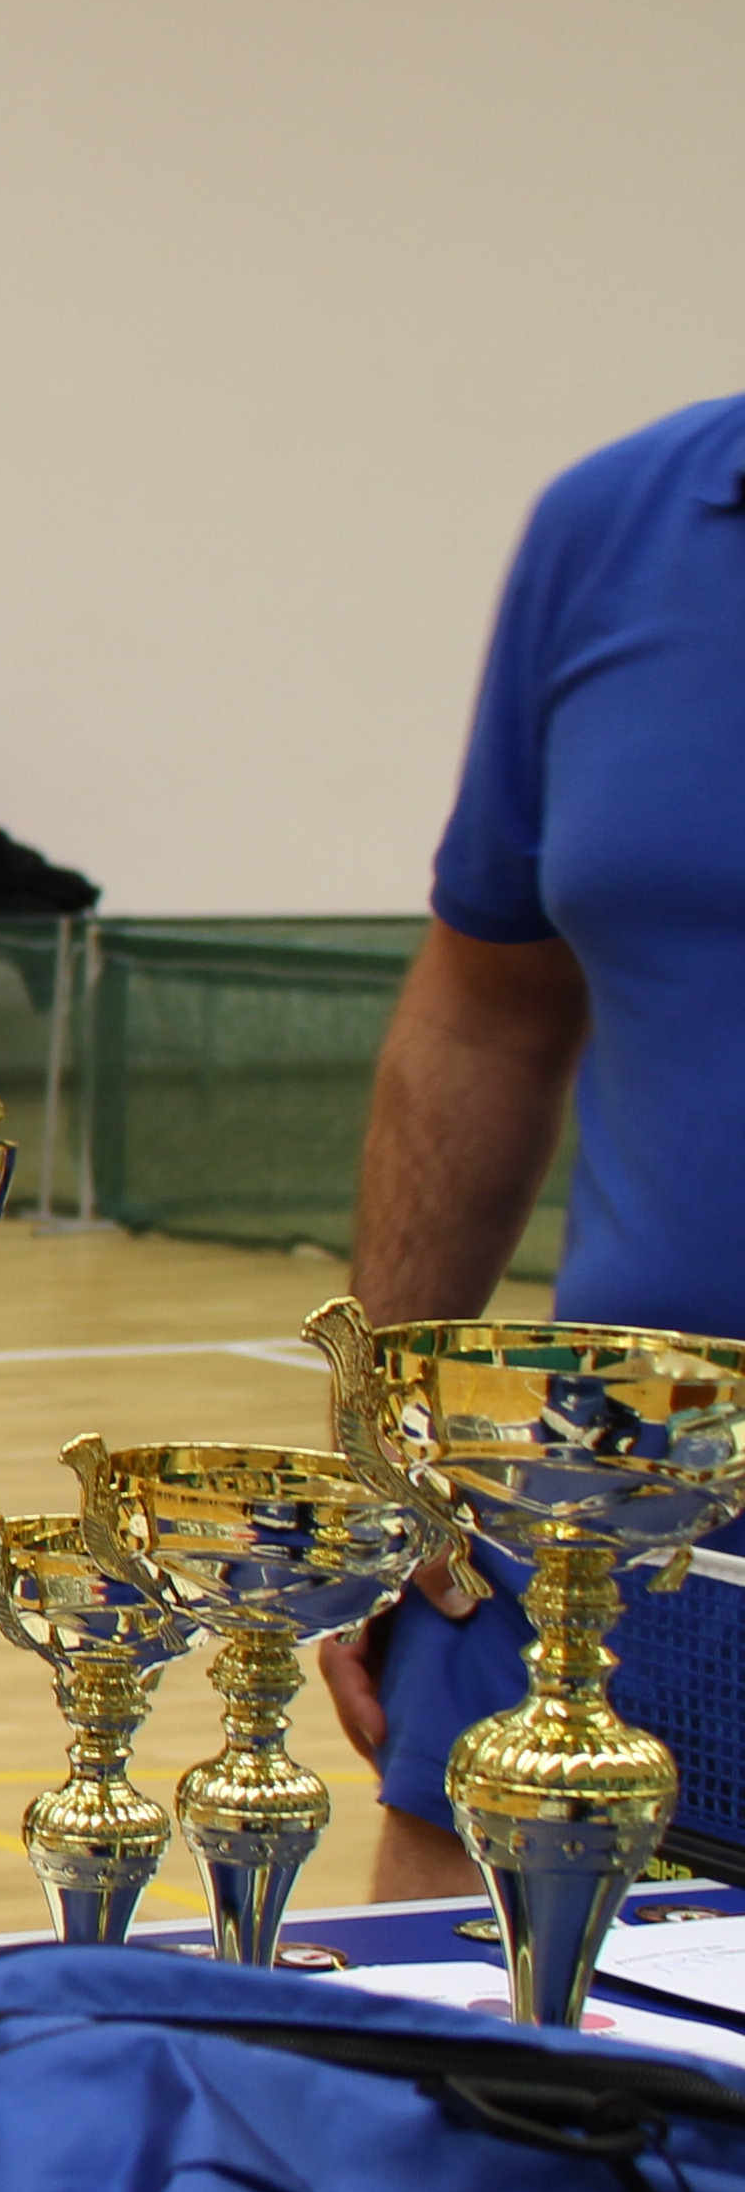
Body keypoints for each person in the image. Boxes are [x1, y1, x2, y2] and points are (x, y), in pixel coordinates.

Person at [322, 385, 745, 1900]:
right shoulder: (618, 526)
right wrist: (389, 1454)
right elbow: (487, 1007)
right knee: (462, 2035)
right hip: (602, 1511)